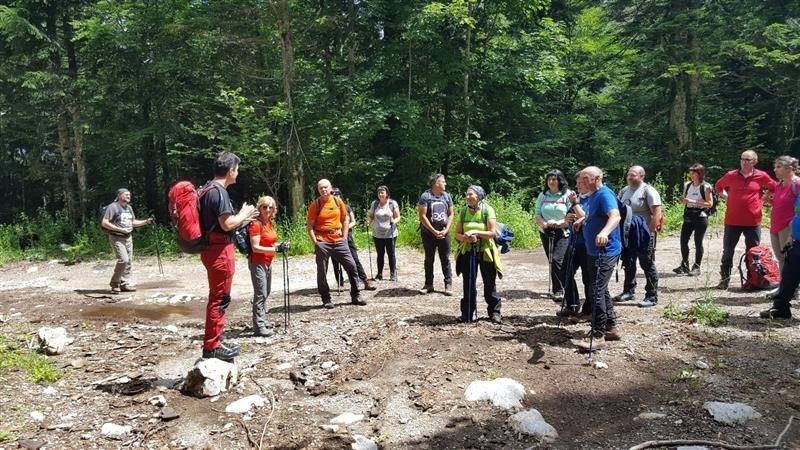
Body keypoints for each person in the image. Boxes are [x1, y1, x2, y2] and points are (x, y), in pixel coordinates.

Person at [199, 152, 259, 361]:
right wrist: (244, 214)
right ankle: (212, 346)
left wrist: (242, 216)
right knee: (220, 298)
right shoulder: (220, 192)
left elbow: (220, 224)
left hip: (210, 249)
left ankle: (215, 341)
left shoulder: (206, 189)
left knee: (217, 297)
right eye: (237, 169)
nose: (238, 173)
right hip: (220, 252)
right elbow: (227, 224)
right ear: (231, 170)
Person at [715, 149, 777, 289]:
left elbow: (773, 187)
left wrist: (764, 198)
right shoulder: (731, 175)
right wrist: (726, 197)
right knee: (728, 251)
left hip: (753, 221)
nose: (744, 162)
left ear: (754, 161)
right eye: (742, 159)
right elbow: (719, 186)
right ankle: (724, 280)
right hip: (732, 221)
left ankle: (752, 281)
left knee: (753, 252)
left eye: (747, 159)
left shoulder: (761, 176)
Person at [307, 179, 367, 309]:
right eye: (321, 188)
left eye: (326, 187)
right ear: (318, 190)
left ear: (331, 188)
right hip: (322, 241)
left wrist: (344, 237)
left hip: (339, 240)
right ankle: (326, 298)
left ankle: (356, 295)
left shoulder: (338, 201)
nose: (323, 190)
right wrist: (316, 243)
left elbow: (345, 220)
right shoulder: (315, 205)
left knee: (352, 266)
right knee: (322, 271)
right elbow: (310, 226)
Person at [579, 166, 622, 346]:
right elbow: (594, 216)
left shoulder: (605, 194)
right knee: (599, 288)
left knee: (596, 290)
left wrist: (604, 232)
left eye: (584, 179)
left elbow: (615, 216)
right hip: (593, 250)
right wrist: (582, 221)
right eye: (579, 179)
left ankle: (598, 333)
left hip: (605, 251)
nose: (579, 182)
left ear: (596, 179)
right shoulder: (593, 196)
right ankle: (611, 326)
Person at [613, 165, 662, 308]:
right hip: (628, 234)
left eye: (633, 175)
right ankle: (629, 291)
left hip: (643, 234)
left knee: (646, 264)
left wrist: (650, 232)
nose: (629, 177)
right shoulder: (624, 191)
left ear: (641, 176)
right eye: (629, 174)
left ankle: (651, 296)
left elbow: (657, 213)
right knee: (628, 262)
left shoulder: (648, 191)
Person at [454, 185, 503, 323]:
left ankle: (494, 312)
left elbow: (493, 232)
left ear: (479, 196)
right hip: (468, 251)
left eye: (471, 194)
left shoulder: (488, 210)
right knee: (468, 283)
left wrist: (476, 233)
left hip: (486, 251)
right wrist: (465, 238)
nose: (468, 197)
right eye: (467, 194)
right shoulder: (463, 211)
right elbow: (457, 234)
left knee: (489, 283)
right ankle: (467, 313)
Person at [247, 196, 289, 337]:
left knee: (266, 291)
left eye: (270, 207)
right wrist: (276, 249)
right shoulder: (256, 224)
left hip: (267, 262)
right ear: (259, 208)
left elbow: (269, 244)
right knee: (261, 293)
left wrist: (280, 246)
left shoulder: (269, 223)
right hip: (257, 262)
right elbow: (255, 247)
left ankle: (262, 321)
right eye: (264, 207)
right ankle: (259, 326)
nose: (267, 210)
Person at [101, 188, 154, 293]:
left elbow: (133, 222)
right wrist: (120, 229)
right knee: (123, 260)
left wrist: (146, 222)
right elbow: (104, 222)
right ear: (120, 195)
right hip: (116, 237)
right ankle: (114, 283)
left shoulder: (129, 208)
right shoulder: (113, 207)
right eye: (126, 195)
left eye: (129, 195)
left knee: (128, 261)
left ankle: (124, 284)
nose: (129, 196)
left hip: (128, 237)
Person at [760, 185, 800, 320]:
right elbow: (797, 214)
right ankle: (781, 308)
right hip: (797, 240)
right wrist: (791, 235)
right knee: (788, 274)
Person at [535, 169, 574, 301]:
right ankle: (557, 289)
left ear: (560, 181)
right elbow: (537, 214)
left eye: (554, 179)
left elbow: (571, 214)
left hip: (563, 231)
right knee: (551, 260)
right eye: (549, 179)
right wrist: (544, 224)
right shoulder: (543, 195)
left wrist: (558, 223)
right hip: (546, 231)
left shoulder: (567, 195)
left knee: (558, 260)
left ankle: (561, 289)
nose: (551, 181)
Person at [330, 188, 375, 291]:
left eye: (337, 194)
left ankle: (365, 281)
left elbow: (353, 221)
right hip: (333, 238)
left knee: (355, 259)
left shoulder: (347, 207)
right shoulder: (329, 209)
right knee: (335, 261)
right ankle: (340, 284)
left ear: (340, 196)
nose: (335, 196)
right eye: (333, 195)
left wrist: (344, 228)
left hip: (347, 237)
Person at [673, 164, 714, 276]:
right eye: (690, 172)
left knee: (698, 242)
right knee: (683, 241)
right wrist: (682, 200)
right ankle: (684, 265)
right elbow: (684, 200)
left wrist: (692, 201)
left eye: (693, 172)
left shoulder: (706, 187)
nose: (691, 175)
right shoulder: (687, 185)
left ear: (699, 174)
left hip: (700, 216)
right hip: (689, 215)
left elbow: (710, 204)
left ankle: (697, 267)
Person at [418, 173, 455, 295]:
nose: (445, 184)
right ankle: (428, 284)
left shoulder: (446, 196)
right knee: (429, 259)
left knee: (445, 259)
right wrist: (434, 232)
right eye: (443, 181)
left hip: (444, 232)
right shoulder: (425, 196)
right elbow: (422, 216)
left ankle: (448, 284)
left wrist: (446, 230)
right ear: (436, 183)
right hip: (428, 233)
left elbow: (451, 214)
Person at [560, 172, 590, 319]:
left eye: (580, 183)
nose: (577, 185)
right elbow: (568, 219)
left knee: (588, 277)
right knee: (565, 271)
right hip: (573, 241)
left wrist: (576, 206)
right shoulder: (577, 199)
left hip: (588, 244)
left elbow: (587, 216)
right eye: (577, 183)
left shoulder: (594, 198)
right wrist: (568, 218)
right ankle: (572, 304)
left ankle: (589, 309)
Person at [769, 156, 799, 272]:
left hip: (789, 226)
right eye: (775, 167)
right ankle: (782, 286)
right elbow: (781, 204)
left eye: (779, 167)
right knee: (781, 258)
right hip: (775, 225)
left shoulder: (797, 184)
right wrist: (769, 200)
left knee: (790, 257)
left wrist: (793, 228)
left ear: (789, 168)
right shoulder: (779, 184)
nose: (775, 170)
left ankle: (792, 288)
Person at [367, 186, 401, 281]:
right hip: (377, 233)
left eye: (382, 192)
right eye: (379, 193)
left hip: (390, 233)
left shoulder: (392, 203)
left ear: (387, 193)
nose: (381, 194)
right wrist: (368, 222)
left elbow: (398, 217)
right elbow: (370, 216)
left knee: (391, 253)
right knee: (380, 254)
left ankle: (393, 274)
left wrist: (394, 221)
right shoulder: (375, 204)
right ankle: (379, 274)